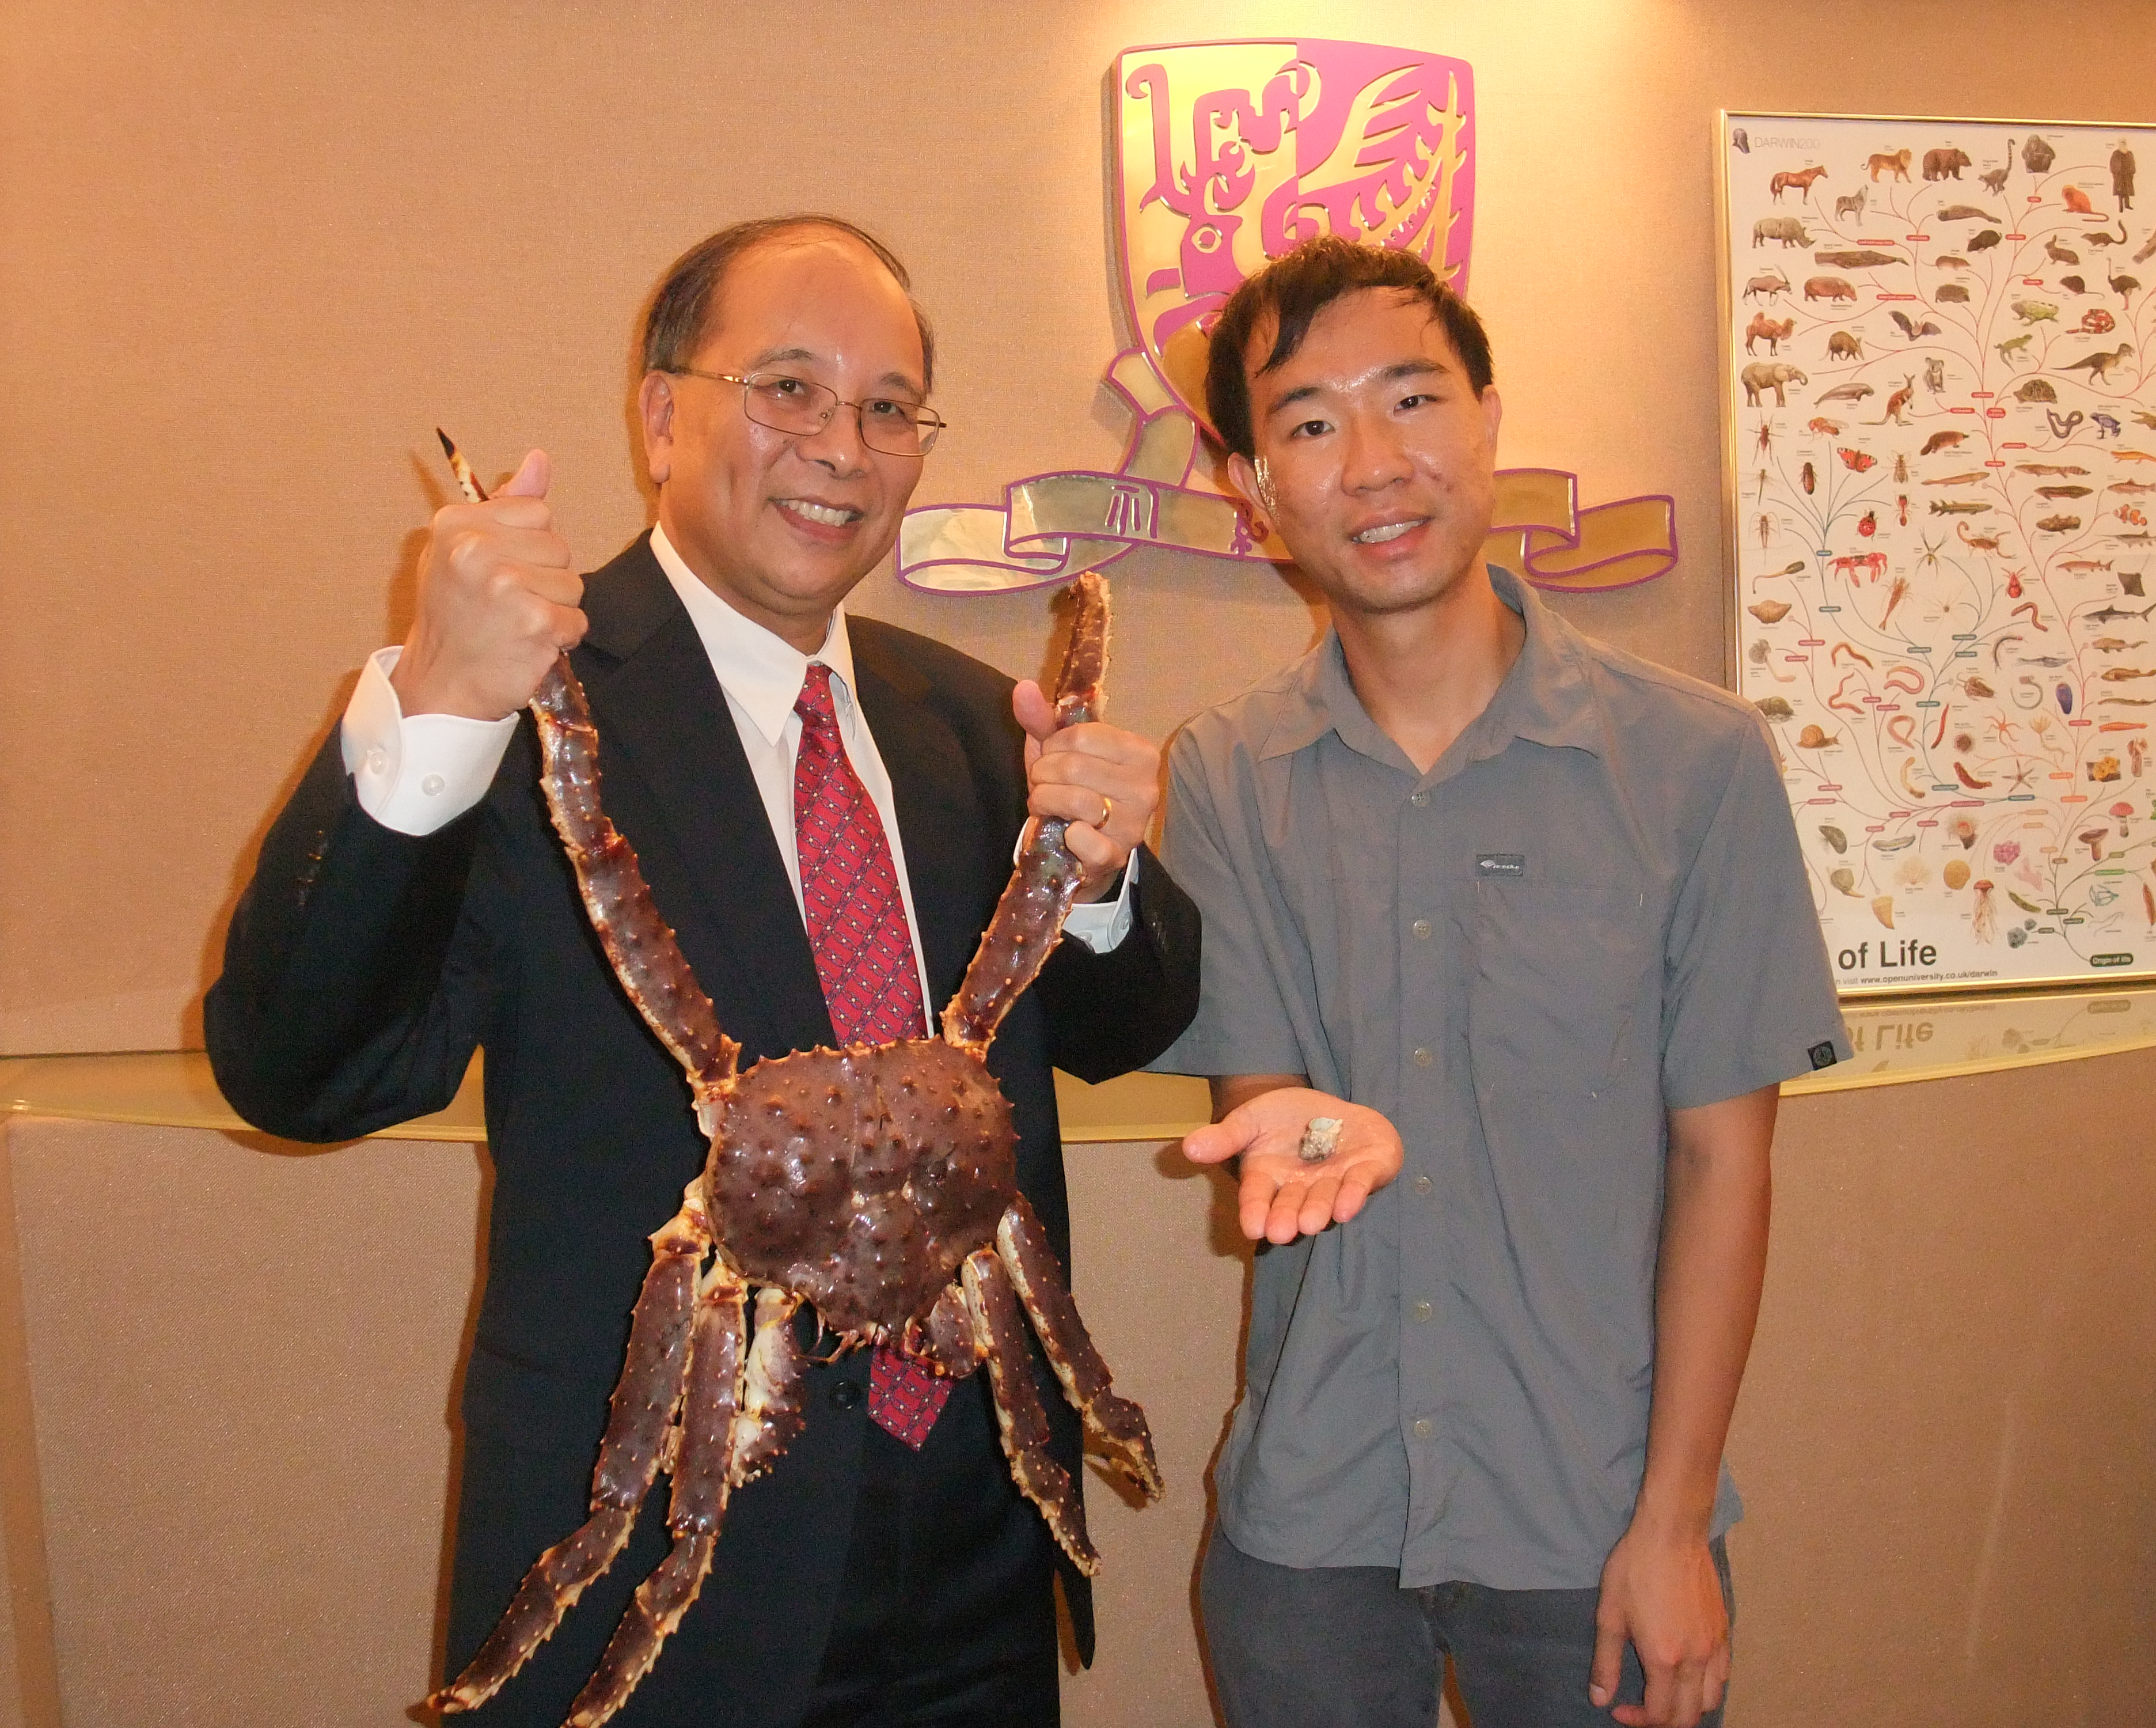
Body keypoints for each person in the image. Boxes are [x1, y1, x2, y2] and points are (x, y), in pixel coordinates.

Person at [204, 215, 1200, 1728]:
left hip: (978, 1555)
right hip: (660, 1574)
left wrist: (1112, 878)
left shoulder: (970, 727)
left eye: (888, 408)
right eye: (788, 389)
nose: (843, 448)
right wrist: (439, 702)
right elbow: (299, 1070)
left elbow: (1129, 1030)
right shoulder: (533, 719)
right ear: (661, 413)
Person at [1150, 236, 1848, 1728]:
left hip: (1593, 1520)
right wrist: (1303, 1133)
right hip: (1313, 1528)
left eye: (1413, 399)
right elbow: (1262, 1101)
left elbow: (1727, 1164)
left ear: (1488, 418)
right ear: (1257, 486)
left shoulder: (1696, 765)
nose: (1376, 462)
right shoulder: (1226, 773)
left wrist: (1672, 1526)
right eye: (1313, 422)